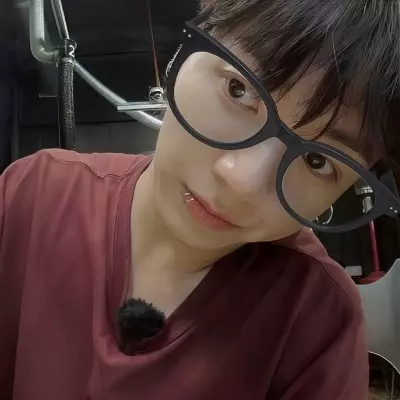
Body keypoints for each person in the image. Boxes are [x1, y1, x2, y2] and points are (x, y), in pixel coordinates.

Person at [2, 0, 400, 398]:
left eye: (317, 161)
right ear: (183, 51)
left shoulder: (316, 320)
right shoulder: (32, 197)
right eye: (238, 89)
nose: (241, 182)